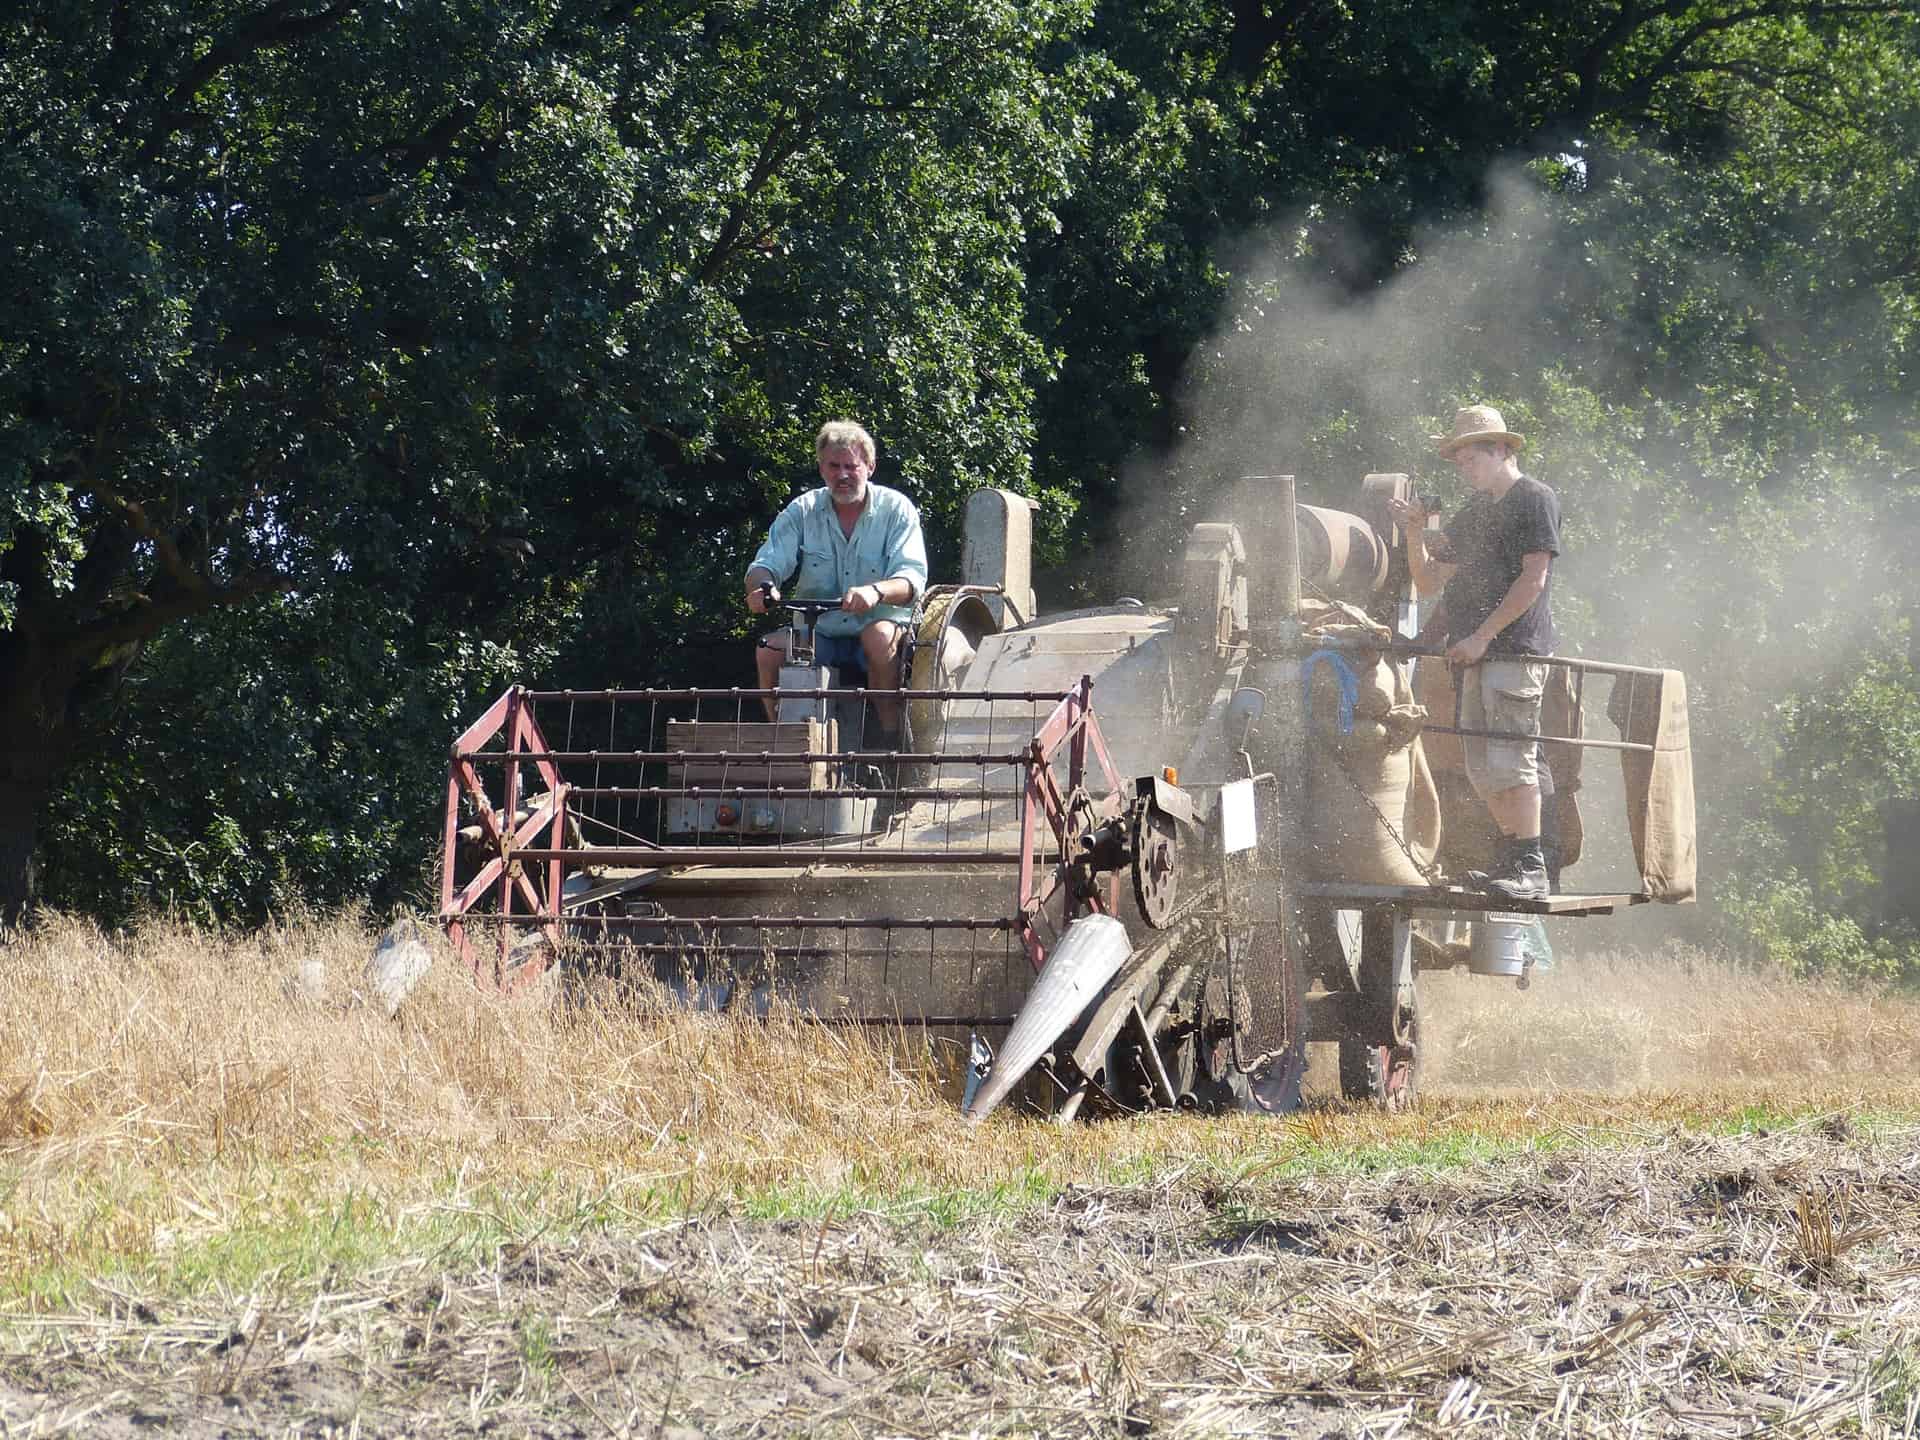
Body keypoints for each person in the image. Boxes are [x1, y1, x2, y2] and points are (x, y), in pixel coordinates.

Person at [1388, 405, 1561, 902]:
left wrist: (1482, 636)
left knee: (1513, 761)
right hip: (1477, 656)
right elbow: (1427, 581)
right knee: (1484, 767)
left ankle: (1531, 867)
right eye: (1459, 460)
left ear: (1502, 449)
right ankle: (1514, 861)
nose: (1464, 467)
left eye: (1471, 457)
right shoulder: (1476, 511)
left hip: (1513, 653)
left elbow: (1535, 579)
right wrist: (1416, 531)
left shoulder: (1534, 498)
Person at [744, 420, 928, 746]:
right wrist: (763, 588)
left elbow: (912, 579)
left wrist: (875, 592)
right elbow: (765, 565)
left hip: (884, 632)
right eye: (834, 466)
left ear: (870, 467)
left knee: (877, 635)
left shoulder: (897, 509)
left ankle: (890, 741)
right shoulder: (802, 510)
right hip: (820, 634)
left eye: (851, 466)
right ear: (821, 468)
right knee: (768, 650)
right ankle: (786, 743)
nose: (842, 475)